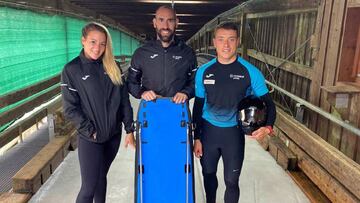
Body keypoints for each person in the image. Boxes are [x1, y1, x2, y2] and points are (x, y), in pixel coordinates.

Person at [192, 22, 276, 203]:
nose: (226, 45)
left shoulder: (250, 72)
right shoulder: (204, 72)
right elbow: (198, 106)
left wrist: (268, 127)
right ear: (214, 42)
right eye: (221, 39)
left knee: (231, 181)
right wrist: (196, 137)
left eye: (231, 39)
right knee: (208, 175)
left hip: (233, 135)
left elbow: (269, 103)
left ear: (238, 41)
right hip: (208, 133)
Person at [60, 22, 135, 203]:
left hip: (113, 136)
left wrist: (129, 129)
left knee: (101, 179)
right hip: (91, 138)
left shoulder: (112, 66)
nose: (97, 48)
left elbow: (124, 100)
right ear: (83, 41)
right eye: (93, 42)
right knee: (89, 187)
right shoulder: (72, 70)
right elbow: (70, 108)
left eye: (102, 44)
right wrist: (90, 130)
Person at [127, 5, 197, 103]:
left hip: (178, 110)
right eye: (161, 20)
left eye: (170, 20)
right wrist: (142, 93)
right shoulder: (141, 53)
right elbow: (131, 82)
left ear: (176, 22)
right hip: (151, 110)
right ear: (155, 23)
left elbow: (195, 82)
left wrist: (186, 93)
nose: (165, 26)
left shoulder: (188, 53)